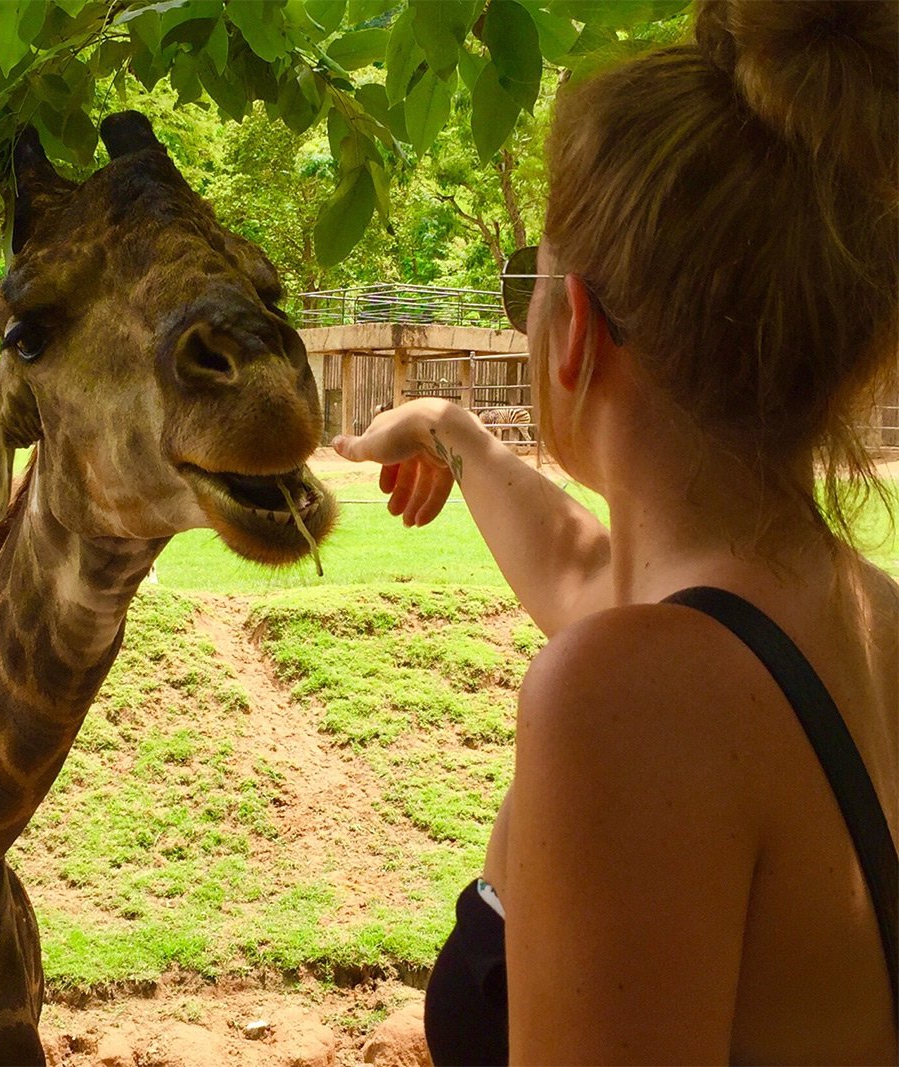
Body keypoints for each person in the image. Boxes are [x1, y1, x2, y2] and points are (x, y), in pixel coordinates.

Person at [332, 1, 898, 1061]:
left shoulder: (627, 698)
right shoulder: (854, 618)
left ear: (574, 329)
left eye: (526, 280)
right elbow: (587, 567)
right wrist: (454, 434)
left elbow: (614, 611)